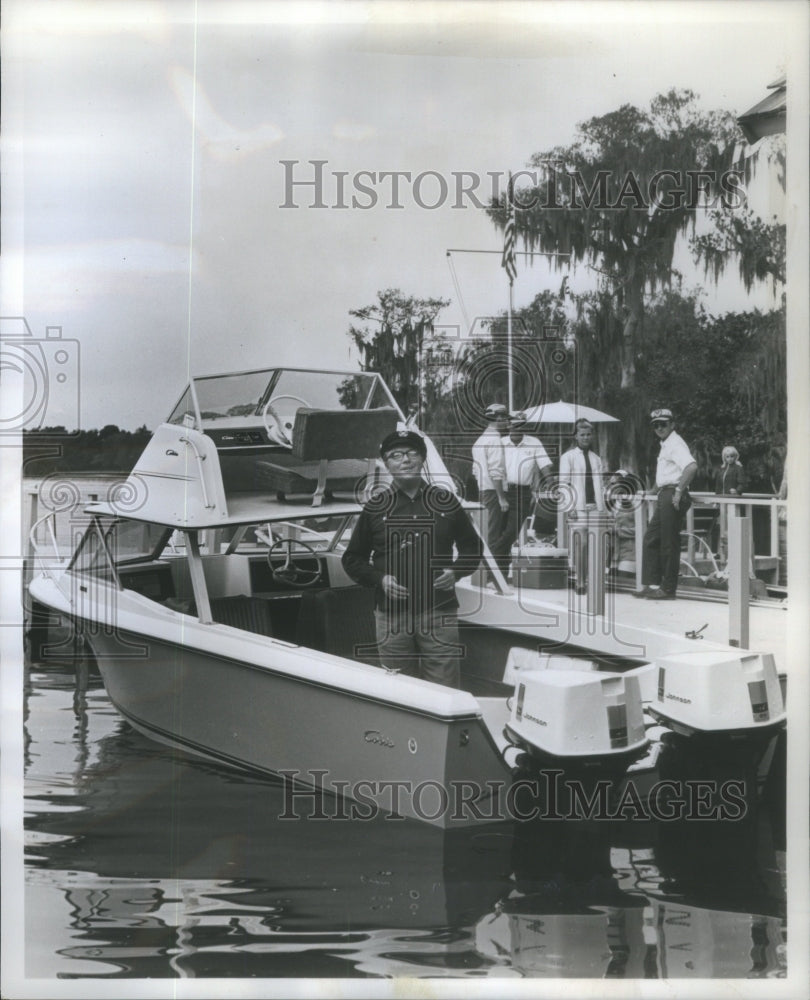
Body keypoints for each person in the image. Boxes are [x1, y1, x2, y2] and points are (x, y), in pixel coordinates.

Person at [342, 429, 482, 687]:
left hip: (439, 612)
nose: (405, 460)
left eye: (411, 453)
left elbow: (472, 547)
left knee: (444, 689)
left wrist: (456, 571)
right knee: (398, 690)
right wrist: (380, 579)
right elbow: (352, 559)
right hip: (392, 616)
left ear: (422, 459)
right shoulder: (375, 507)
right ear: (387, 464)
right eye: (395, 455)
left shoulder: (446, 502)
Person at [634, 408, 697, 600]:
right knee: (651, 539)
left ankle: (668, 589)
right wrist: (652, 491)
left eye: (663, 424)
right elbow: (665, 474)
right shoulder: (666, 444)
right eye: (656, 425)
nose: (659, 428)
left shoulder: (675, 443)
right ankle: (653, 584)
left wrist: (678, 492)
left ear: (672, 425)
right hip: (664, 493)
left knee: (669, 543)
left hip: (672, 494)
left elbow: (691, 467)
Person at [558, 418, 605, 593]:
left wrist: (603, 509)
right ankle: (580, 581)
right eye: (582, 434)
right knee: (582, 544)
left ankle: (595, 580)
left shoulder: (596, 458)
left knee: (596, 545)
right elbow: (564, 484)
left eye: (588, 434)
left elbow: (599, 485)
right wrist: (569, 508)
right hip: (578, 507)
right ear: (576, 436)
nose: (586, 438)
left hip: (596, 508)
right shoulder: (567, 457)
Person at [502, 411, 554, 556]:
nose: (517, 427)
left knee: (512, 532)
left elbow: (545, 466)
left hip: (522, 494)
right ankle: (500, 574)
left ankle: (492, 558)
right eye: (514, 424)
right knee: (500, 532)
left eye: (521, 424)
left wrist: (553, 486)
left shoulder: (534, 442)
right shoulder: (501, 443)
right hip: (502, 492)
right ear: (508, 425)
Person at [471, 403, 511, 580]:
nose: (505, 421)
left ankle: (485, 573)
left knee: (486, 531)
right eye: (502, 418)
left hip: (483, 490)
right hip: (493, 491)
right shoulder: (494, 440)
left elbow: (475, 470)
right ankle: (493, 575)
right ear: (496, 418)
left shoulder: (481, 439)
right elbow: (496, 471)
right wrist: (501, 497)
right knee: (494, 534)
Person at [713, 445, 747, 561]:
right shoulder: (722, 469)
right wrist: (716, 500)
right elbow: (718, 485)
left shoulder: (738, 468)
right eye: (727, 456)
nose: (730, 459)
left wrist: (737, 490)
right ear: (724, 457)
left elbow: (743, 483)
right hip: (722, 502)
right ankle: (719, 551)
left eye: (732, 456)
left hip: (732, 502)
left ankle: (733, 551)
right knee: (721, 525)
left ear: (735, 456)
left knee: (732, 525)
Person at [605, 469, 639, 576]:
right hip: (614, 553)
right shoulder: (615, 503)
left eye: (615, 484)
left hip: (630, 552)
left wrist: (618, 531)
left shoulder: (638, 504)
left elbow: (642, 530)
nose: (611, 487)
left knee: (624, 578)